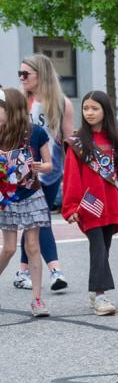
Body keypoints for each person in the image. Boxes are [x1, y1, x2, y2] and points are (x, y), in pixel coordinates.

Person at [61, 91, 118, 316]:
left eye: (95, 108)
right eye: (86, 108)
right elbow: (72, 177)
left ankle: (96, 292)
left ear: (105, 111)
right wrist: (71, 207)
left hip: (111, 202)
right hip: (90, 204)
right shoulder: (77, 143)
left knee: (105, 248)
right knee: (98, 248)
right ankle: (100, 295)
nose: (90, 113)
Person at [13, 54, 74, 293]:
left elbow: (68, 141)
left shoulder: (61, 103)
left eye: (25, 74)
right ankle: (55, 270)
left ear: (42, 74)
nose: (21, 78)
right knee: (39, 219)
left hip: (50, 171)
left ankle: (22, 272)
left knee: (34, 223)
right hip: (21, 174)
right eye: (20, 73)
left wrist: (71, 179)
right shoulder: (18, 101)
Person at [0, 87, 54, 317]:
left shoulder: (36, 132)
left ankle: (37, 300)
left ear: (11, 110)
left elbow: (50, 164)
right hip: (8, 196)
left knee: (33, 246)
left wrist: (42, 166)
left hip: (31, 193)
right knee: (10, 248)